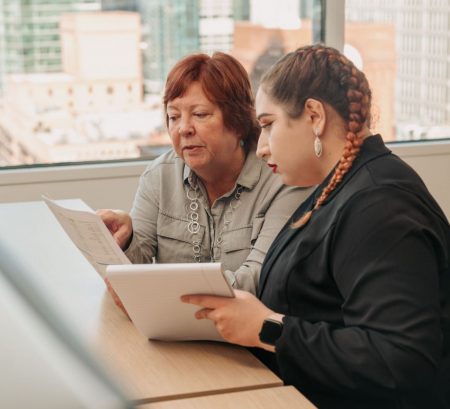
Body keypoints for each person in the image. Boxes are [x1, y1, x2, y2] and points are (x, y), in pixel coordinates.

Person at [181, 45, 450, 409]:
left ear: (314, 116)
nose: (260, 148)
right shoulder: (334, 188)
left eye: (268, 125)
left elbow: (400, 360)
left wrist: (268, 328)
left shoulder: (380, 205)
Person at [98, 52, 310, 295]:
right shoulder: (159, 176)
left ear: (238, 121)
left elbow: (259, 279)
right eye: (173, 117)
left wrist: (163, 292)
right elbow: (134, 273)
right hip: (171, 326)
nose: (183, 129)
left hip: (245, 330)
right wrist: (126, 240)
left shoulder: (281, 178)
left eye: (200, 114)